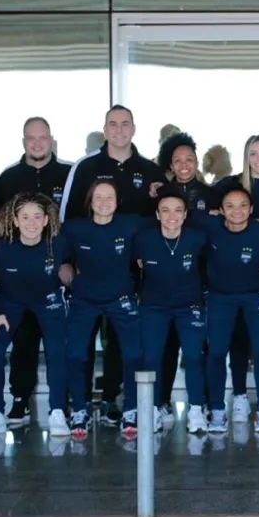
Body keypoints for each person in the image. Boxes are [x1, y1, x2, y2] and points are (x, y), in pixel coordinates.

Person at [60, 105, 163, 425]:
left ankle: (116, 401)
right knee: (83, 345)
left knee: (124, 345)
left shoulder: (149, 169)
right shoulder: (87, 167)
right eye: (112, 124)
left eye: (125, 124)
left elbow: (163, 218)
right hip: (89, 273)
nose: (119, 130)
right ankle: (81, 404)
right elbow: (68, 218)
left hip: (130, 276)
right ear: (104, 129)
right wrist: (69, 269)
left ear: (134, 129)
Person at [0, 117, 72, 427]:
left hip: (56, 274)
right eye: (31, 138)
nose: (37, 143)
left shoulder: (68, 174)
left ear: (52, 139)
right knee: (24, 340)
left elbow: (77, 221)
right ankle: (20, 399)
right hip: (19, 277)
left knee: (59, 342)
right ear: (23, 141)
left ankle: (61, 401)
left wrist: (70, 262)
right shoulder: (9, 178)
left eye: (42, 137)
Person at [0, 193, 70, 438]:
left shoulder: (58, 242)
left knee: (58, 352)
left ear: (47, 220)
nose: (31, 222)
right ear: (14, 221)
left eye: (38, 216)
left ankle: (57, 411)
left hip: (48, 300)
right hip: (9, 302)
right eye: (25, 217)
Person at [63, 179, 151, 436]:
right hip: (84, 299)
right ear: (90, 201)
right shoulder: (74, 228)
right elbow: (43, 237)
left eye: (109, 197)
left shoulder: (131, 223)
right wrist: (63, 266)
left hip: (121, 297)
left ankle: (131, 410)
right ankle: (80, 409)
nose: (104, 203)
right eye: (98, 197)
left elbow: (166, 223)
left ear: (117, 201)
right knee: (77, 355)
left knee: (133, 355)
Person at [152, 132, 219, 424]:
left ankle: (201, 401)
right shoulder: (158, 194)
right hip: (164, 282)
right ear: (170, 163)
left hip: (200, 280)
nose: (184, 165)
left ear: (196, 161)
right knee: (166, 346)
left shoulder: (210, 194)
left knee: (197, 347)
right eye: (177, 160)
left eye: (189, 159)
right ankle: (162, 401)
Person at [134, 186, 209, 434]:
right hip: (153, 306)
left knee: (194, 356)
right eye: (165, 211)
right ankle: (152, 410)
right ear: (157, 214)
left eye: (178, 210)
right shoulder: (143, 239)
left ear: (186, 214)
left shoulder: (197, 238)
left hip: (190, 306)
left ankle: (196, 410)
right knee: (152, 357)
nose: (172, 216)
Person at [204, 185, 259, 433]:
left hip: (256, 296)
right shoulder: (210, 228)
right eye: (230, 205)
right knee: (216, 351)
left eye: (243, 205)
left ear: (252, 209)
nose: (237, 211)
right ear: (221, 210)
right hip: (220, 297)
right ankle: (216, 410)